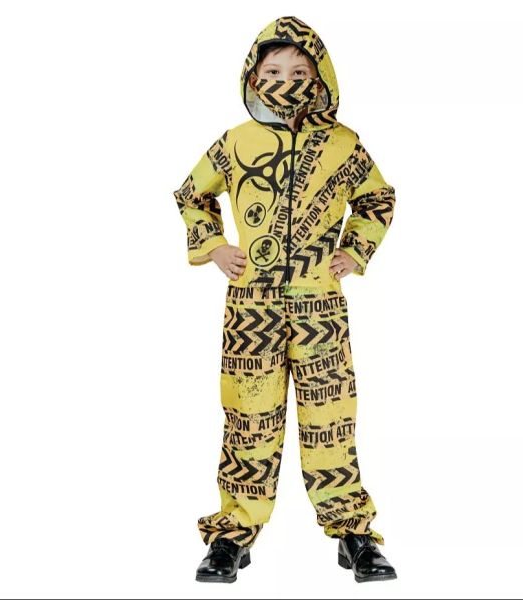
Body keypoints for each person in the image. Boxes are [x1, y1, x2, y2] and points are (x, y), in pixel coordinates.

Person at [173, 15, 397, 584]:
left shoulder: (343, 145)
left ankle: (353, 533)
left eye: (299, 73)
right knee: (248, 420)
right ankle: (232, 534)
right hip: (251, 308)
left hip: (321, 307)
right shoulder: (235, 142)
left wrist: (356, 251)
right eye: (273, 72)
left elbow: (377, 198)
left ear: (320, 78)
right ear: (253, 77)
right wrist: (214, 246)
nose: (286, 82)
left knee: (331, 418)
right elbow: (192, 195)